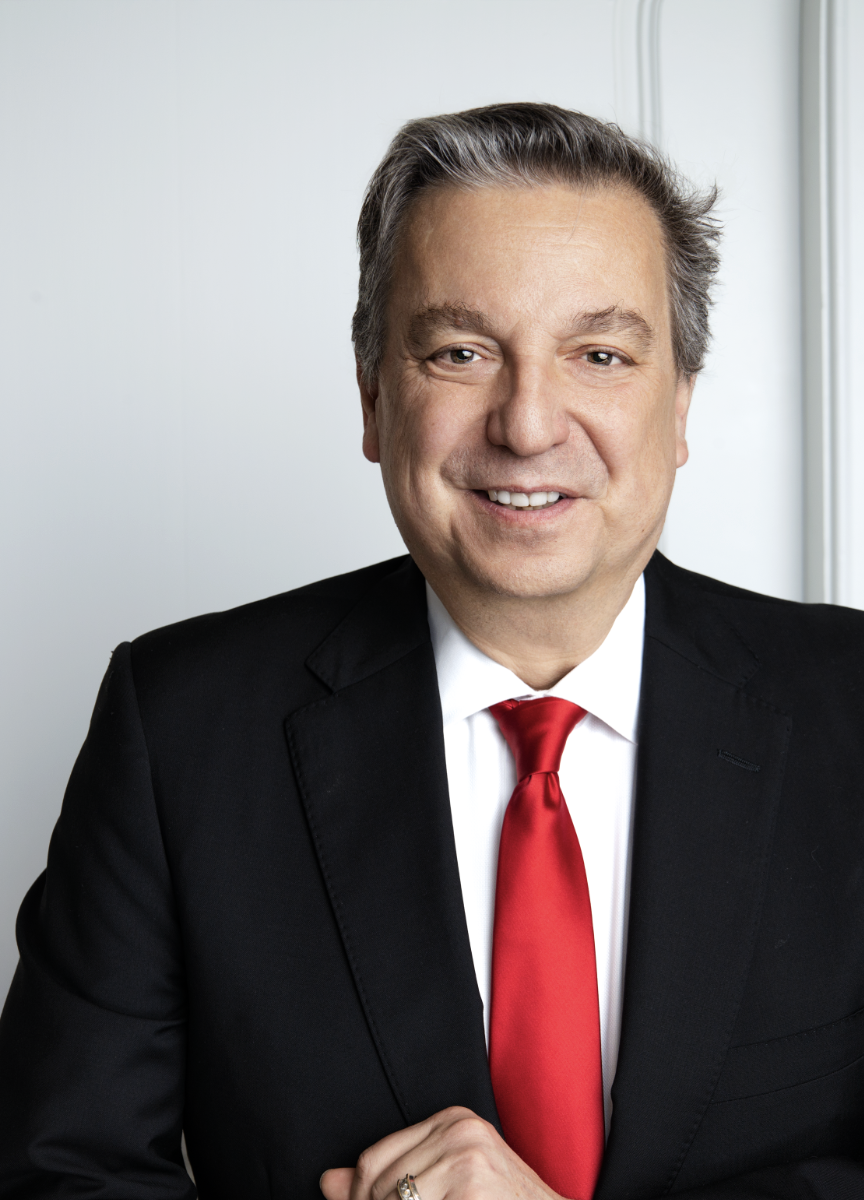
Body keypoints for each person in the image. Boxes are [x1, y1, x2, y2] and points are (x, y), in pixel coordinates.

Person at [1, 102, 863, 1200]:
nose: (528, 422)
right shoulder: (177, 729)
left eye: (599, 353)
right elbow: (56, 1172)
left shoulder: (852, 714)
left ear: (680, 403)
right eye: (460, 352)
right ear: (372, 396)